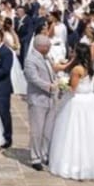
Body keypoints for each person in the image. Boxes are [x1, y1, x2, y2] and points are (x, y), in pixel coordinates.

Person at [48, 43, 94, 180]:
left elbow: (72, 88)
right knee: (92, 132)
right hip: (91, 100)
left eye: (74, 51)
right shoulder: (89, 67)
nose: (72, 53)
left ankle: (75, 165)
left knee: (74, 133)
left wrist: (62, 83)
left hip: (78, 101)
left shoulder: (77, 69)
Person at [23, 35, 57, 171]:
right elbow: (33, 78)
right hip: (38, 99)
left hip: (51, 98)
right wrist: (49, 86)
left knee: (48, 130)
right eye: (47, 46)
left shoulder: (47, 57)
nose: (49, 49)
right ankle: (35, 157)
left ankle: (44, 154)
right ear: (41, 47)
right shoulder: (31, 60)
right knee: (37, 130)